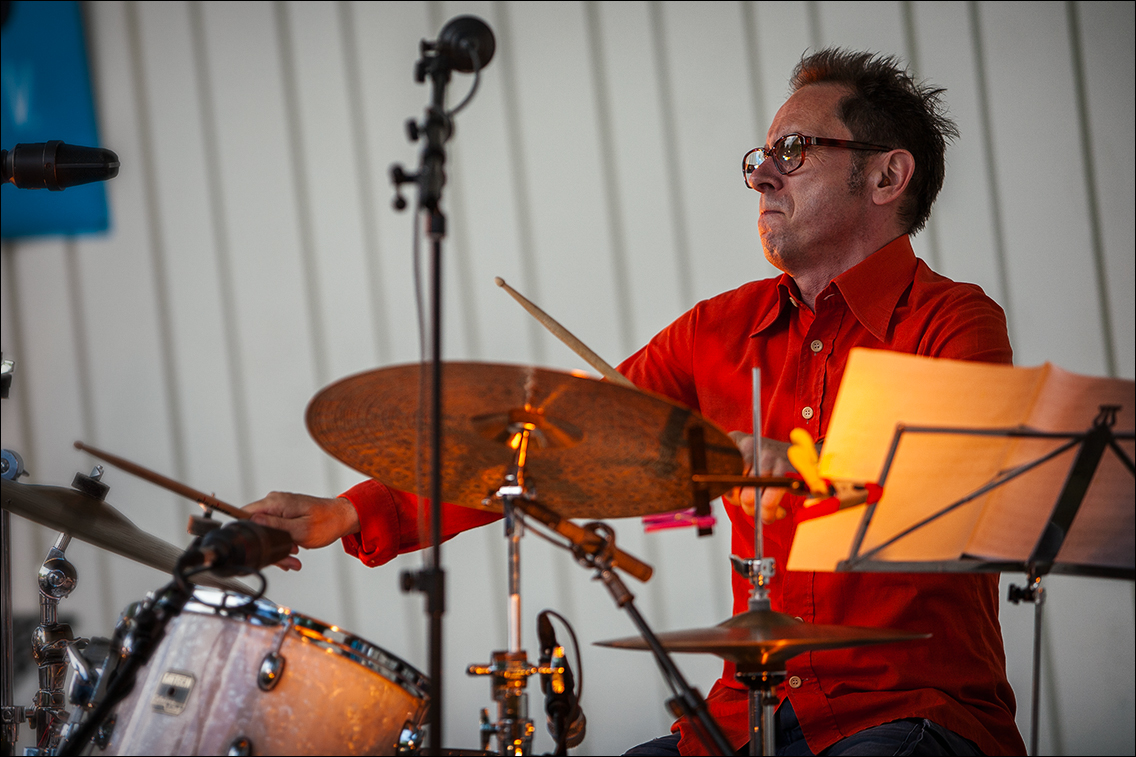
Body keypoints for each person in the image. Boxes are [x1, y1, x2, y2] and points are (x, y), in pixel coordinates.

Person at [246, 48, 1025, 756]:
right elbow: (542, 444)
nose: (761, 175)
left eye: (795, 151)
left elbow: (958, 497)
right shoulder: (719, 329)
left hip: (914, 714)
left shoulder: (954, 322)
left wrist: (807, 470)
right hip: (746, 716)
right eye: (761, 156)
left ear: (888, 176)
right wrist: (350, 512)